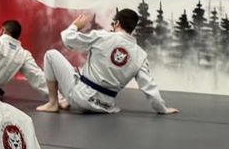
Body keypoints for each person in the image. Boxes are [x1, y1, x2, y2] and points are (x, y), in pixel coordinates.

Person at [37, 9, 176, 115]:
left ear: (117, 23)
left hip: (80, 98)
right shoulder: (140, 55)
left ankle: (53, 103)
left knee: (51, 55)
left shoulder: (103, 36)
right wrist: (162, 108)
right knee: (79, 74)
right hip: (105, 106)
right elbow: (149, 86)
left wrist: (75, 26)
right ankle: (66, 101)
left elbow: (68, 39)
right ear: (132, 28)